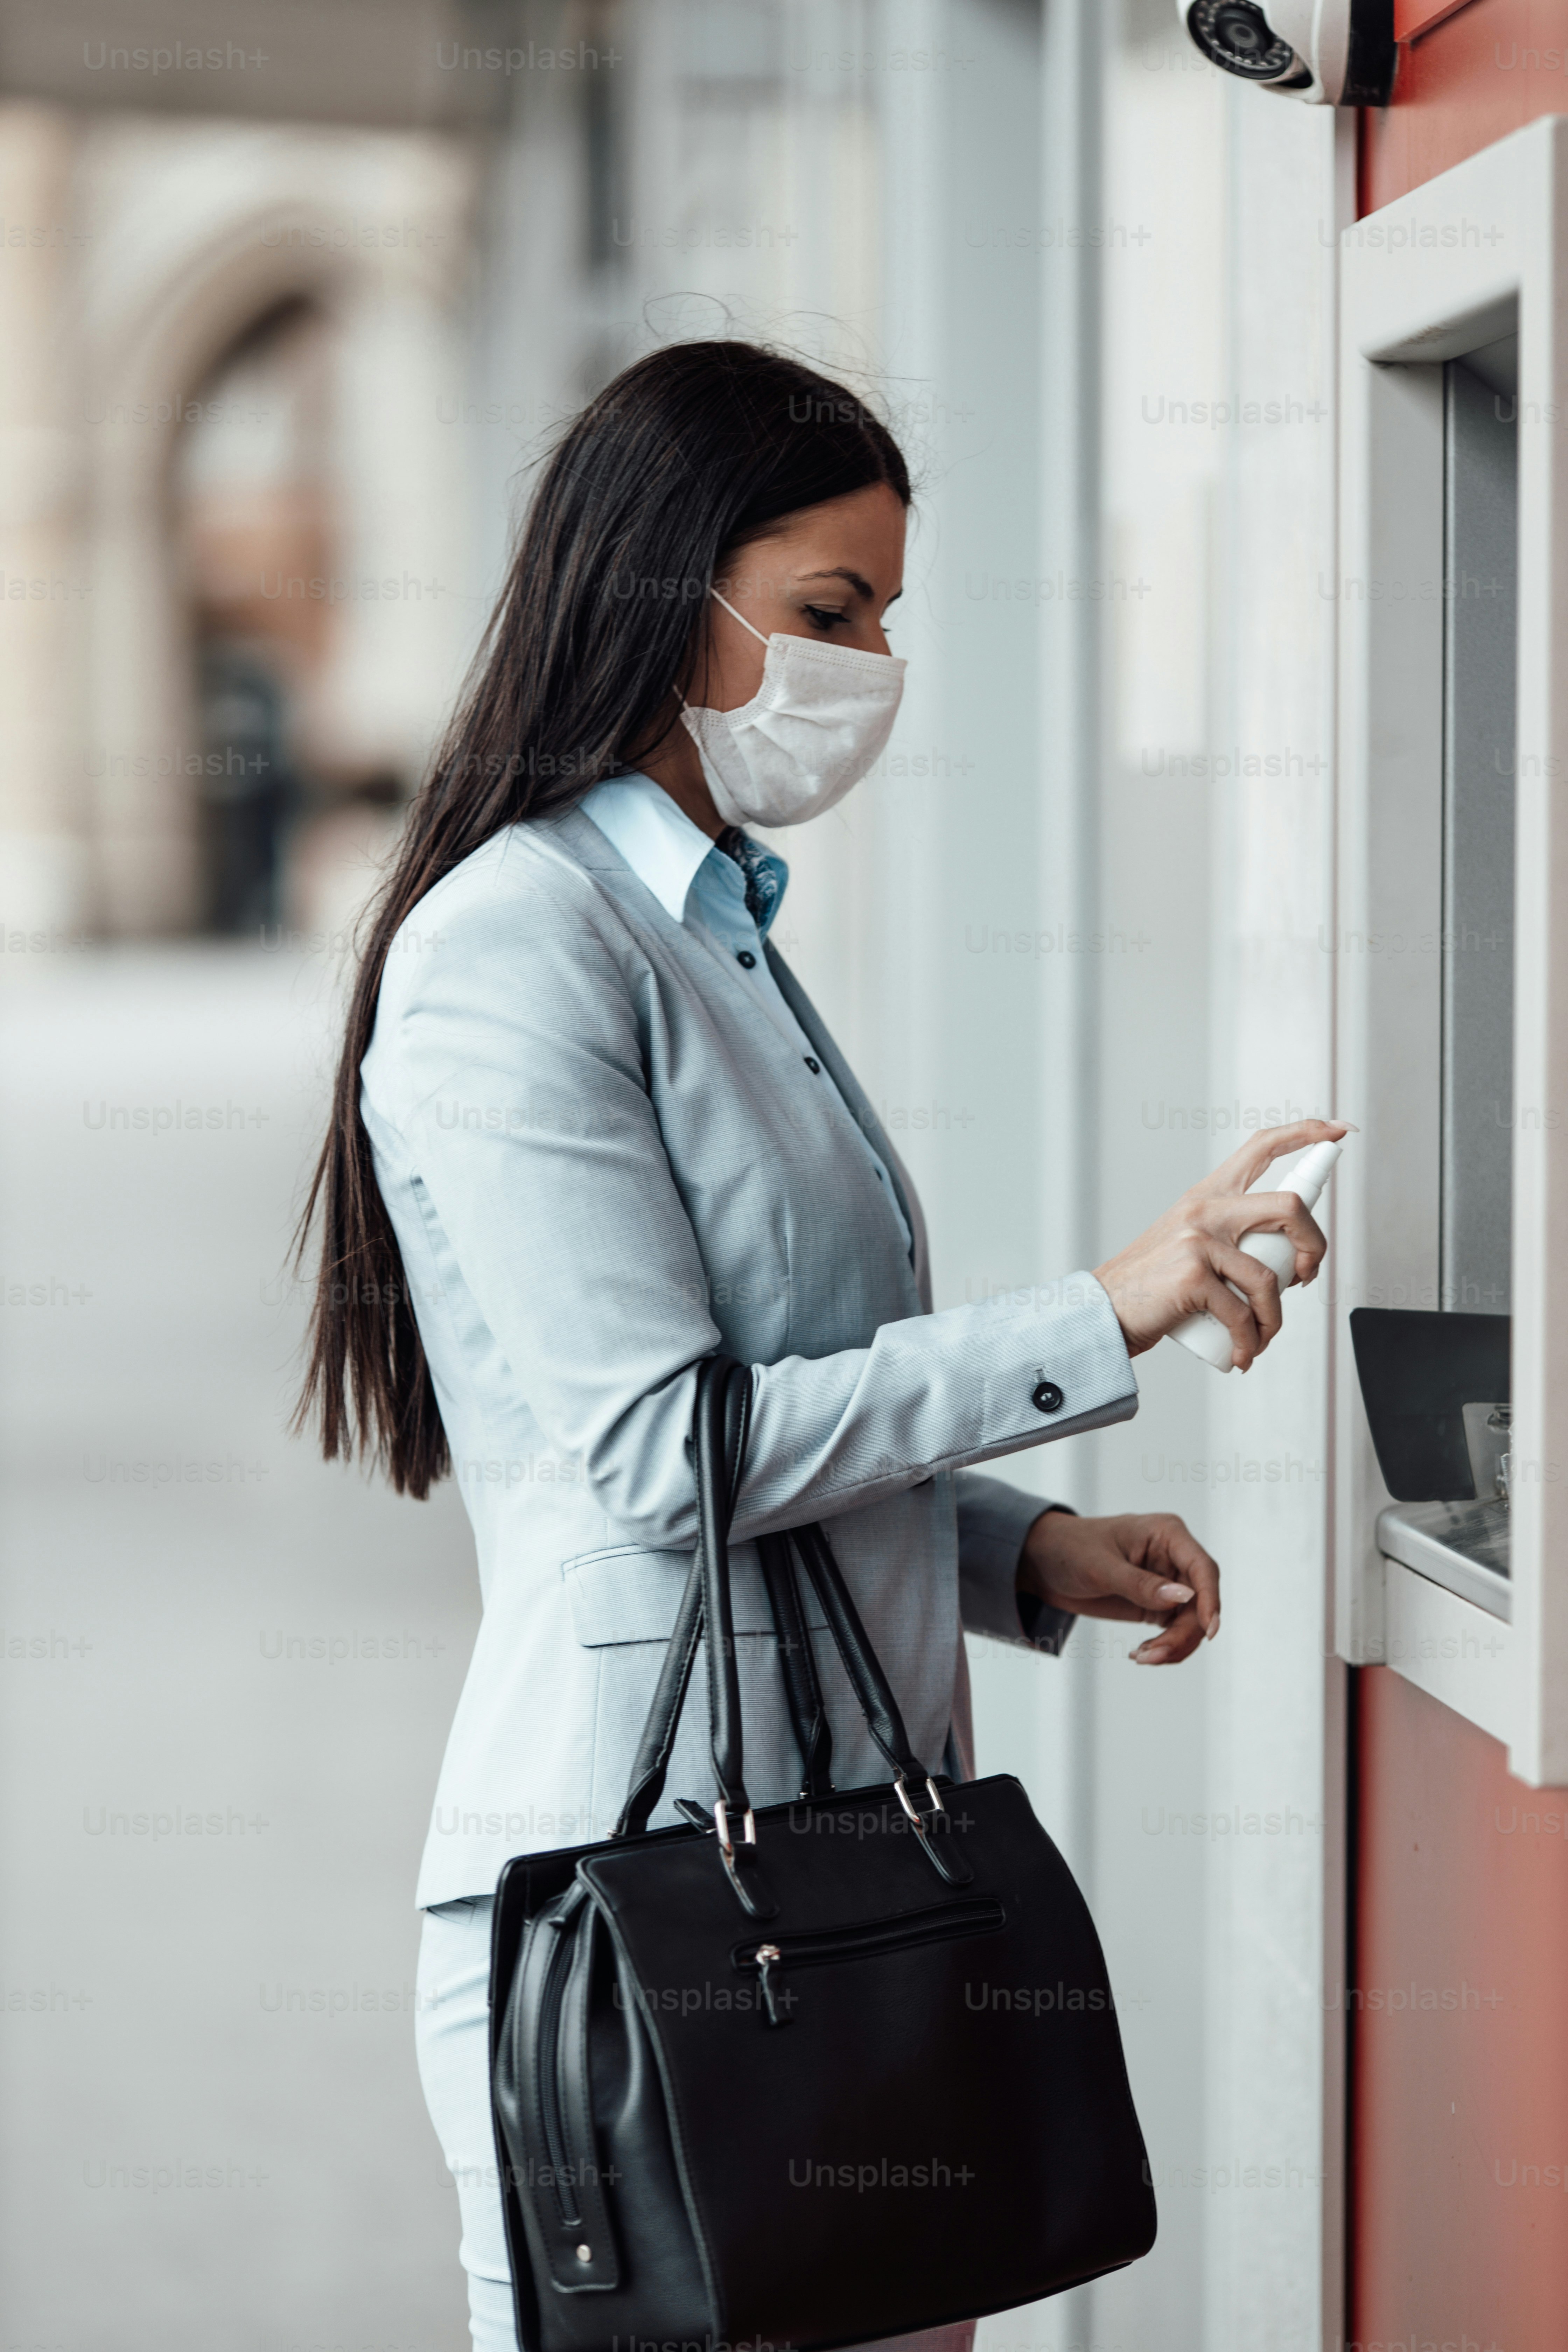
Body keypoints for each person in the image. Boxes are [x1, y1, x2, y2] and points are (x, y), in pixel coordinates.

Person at [294, 339, 1344, 2352]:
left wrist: (1014, 1553)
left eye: (885, 618)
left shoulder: (715, 930)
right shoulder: (514, 946)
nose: (866, 668)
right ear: (659, 587)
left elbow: (786, 1420)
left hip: (844, 1893)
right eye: (827, 614)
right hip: (651, 1912)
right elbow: (663, 1456)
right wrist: (1097, 1314)